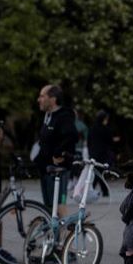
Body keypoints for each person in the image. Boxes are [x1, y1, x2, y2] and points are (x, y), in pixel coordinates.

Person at [34, 84, 78, 216]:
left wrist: (58, 153)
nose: (38, 99)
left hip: (59, 170)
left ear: (53, 99)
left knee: (59, 205)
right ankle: (54, 236)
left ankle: (66, 235)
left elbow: (72, 136)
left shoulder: (64, 116)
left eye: (42, 96)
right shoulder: (48, 116)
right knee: (48, 208)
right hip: (45, 169)